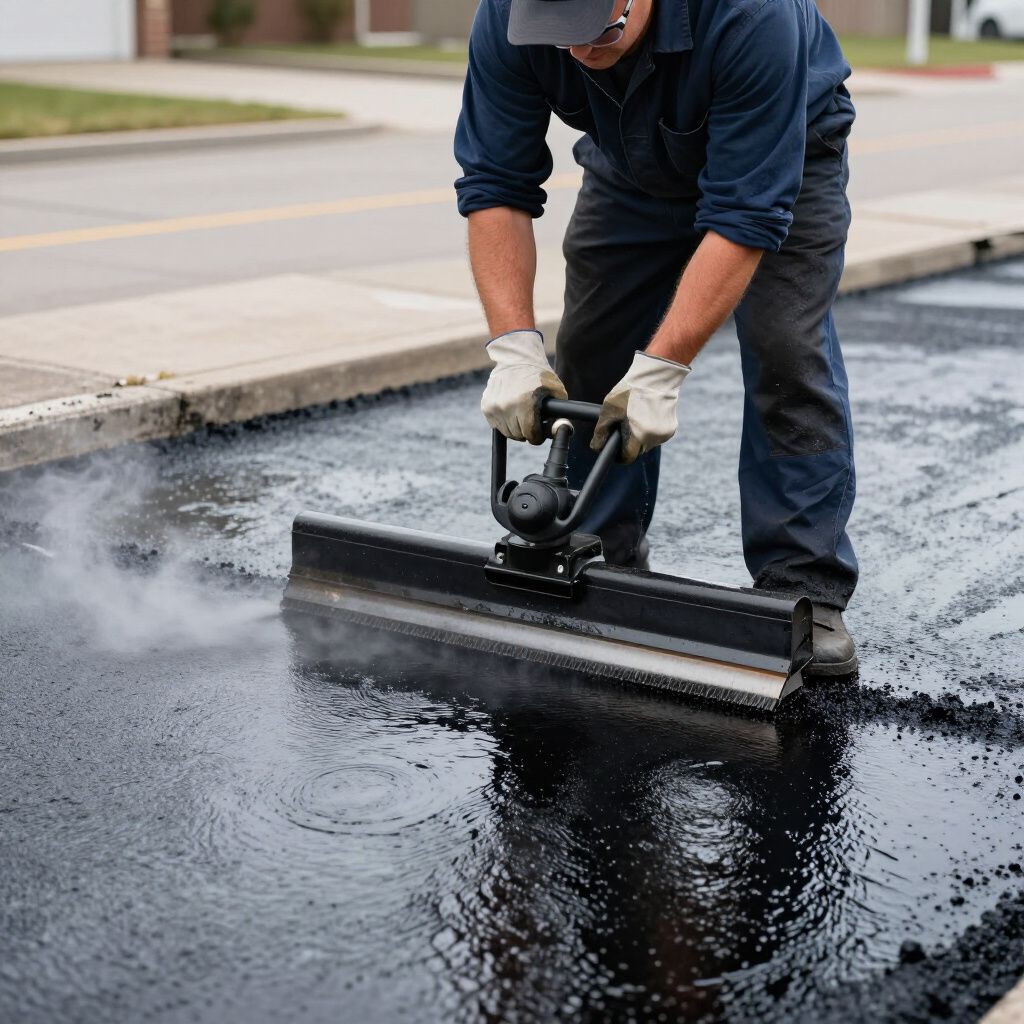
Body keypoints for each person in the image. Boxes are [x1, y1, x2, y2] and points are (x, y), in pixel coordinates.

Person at [454, 0, 858, 676]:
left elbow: (745, 211)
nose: (580, 53)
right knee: (590, 348)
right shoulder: (506, 15)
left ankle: (804, 586)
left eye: (599, 32)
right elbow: (496, 184)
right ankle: (596, 550)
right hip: (631, 160)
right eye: (561, 40)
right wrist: (514, 345)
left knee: (787, 350)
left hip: (784, 151)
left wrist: (663, 368)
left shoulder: (749, 16)